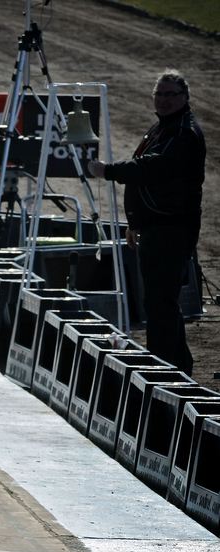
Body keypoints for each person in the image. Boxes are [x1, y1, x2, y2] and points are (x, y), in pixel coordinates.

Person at [88, 70, 205, 375]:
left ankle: (165, 368)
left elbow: (151, 168)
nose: (164, 100)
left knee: (160, 302)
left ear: (184, 98)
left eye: (170, 95)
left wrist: (107, 170)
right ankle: (174, 365)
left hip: (172, 230)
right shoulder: (164, 127)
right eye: (159, 94)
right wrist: (136, 223)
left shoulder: (183, 133)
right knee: (158, 301)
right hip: (156, 227)